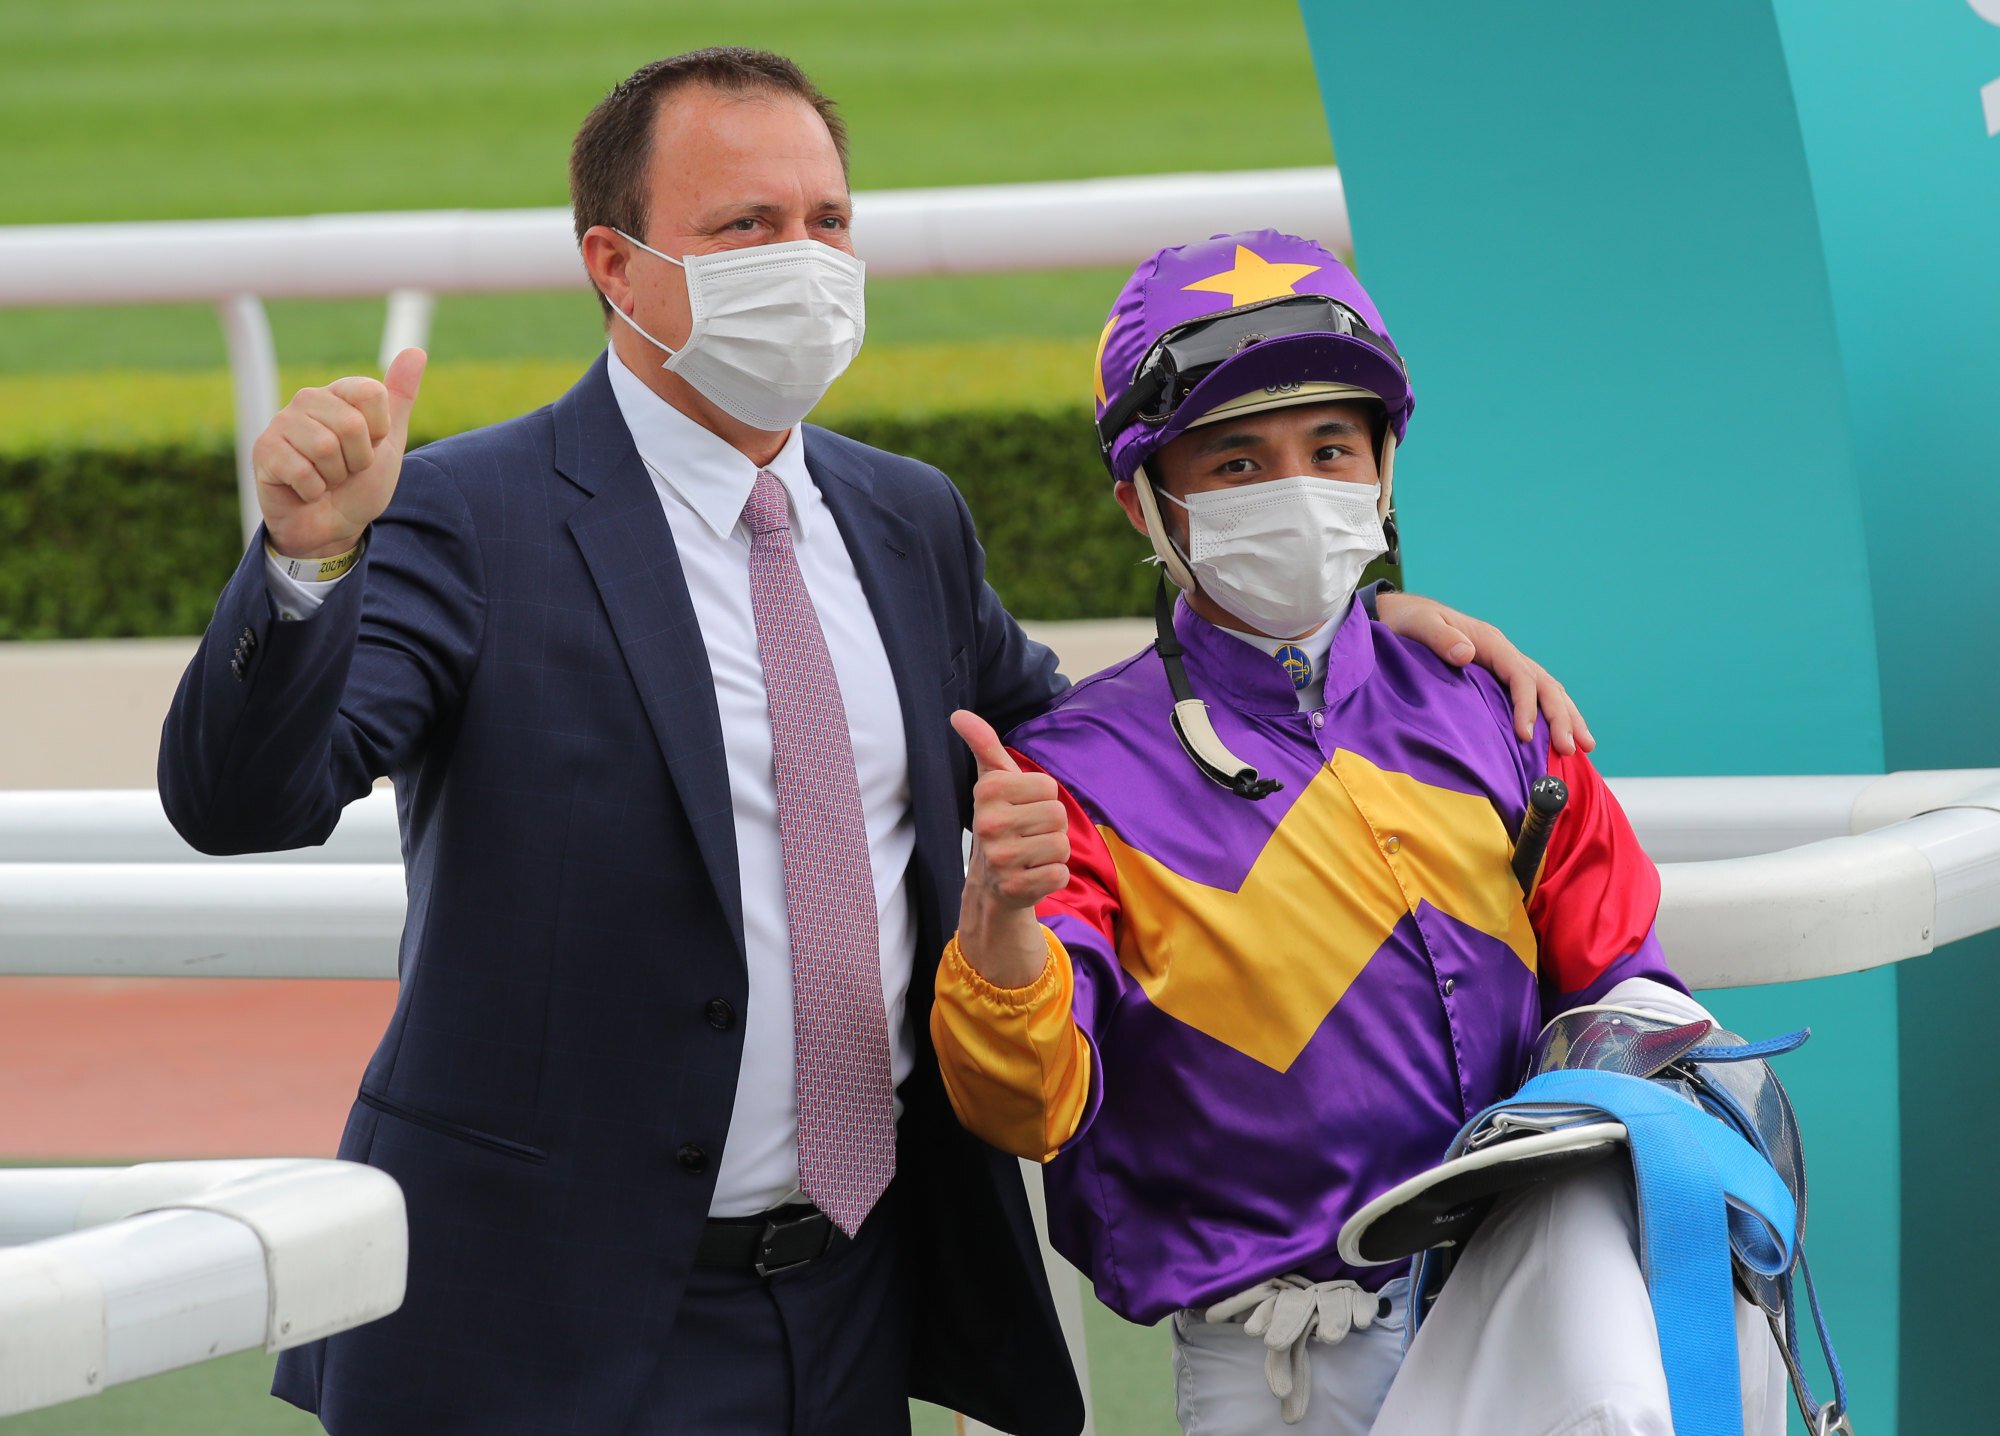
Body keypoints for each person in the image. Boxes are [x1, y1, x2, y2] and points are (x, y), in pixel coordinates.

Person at [159, 50, 1589, 1436]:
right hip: (540, 1322)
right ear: (615, 265)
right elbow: (244, 801)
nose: (804, 256)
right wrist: (300, 570)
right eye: (747, 226)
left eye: (826, 220)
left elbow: (1096, 748)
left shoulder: (907, 517)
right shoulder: (470, 516)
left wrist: (1343, 641)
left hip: (847, 1309)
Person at [931, 230, 1788, 1434]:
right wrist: (1000, 922)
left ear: (1381, 470)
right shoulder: (1072, 774)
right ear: (1143, 499)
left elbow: (1622, 983)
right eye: (1234, 460)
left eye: (1329, 447)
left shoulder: (1498, 705)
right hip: (1278, 1371)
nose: (1296, 485)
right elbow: (1024, 1108)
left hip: (1536, 1321)